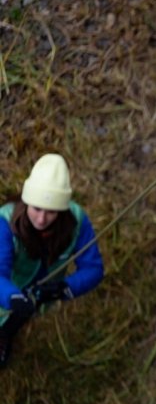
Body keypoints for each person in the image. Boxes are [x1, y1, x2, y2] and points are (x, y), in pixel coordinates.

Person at [0, 153, 105, 367]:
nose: (41, 219)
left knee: (14, 322)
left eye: (51, 212)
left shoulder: (76, 221)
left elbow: (93, 268)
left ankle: (5, 336)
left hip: (42, 292)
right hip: (7, 291)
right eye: (37, 209)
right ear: (26, 201)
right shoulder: (5, 223)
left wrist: (63, 288)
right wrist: (12, 298)